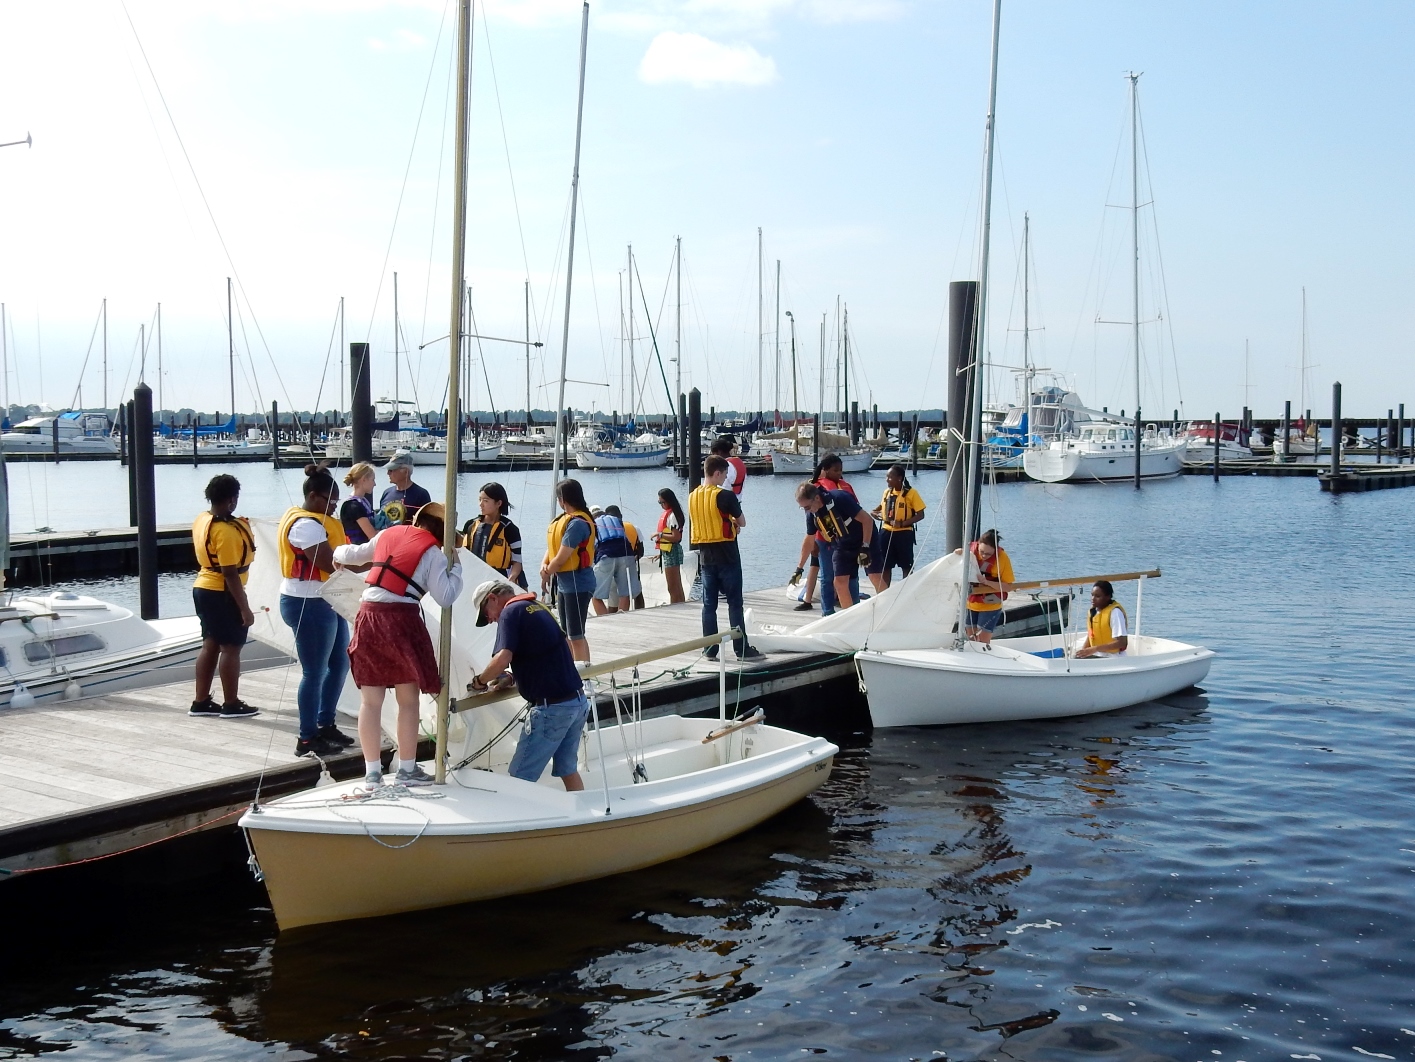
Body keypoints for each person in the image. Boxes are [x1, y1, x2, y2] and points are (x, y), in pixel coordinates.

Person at [332, 502, 464, 788]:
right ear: (444, 535)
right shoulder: (434, 554)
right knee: (407, 701)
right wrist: (457, 570)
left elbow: (352, 554)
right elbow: (445, 597)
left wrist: (337, 554)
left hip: (367, 615)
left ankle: (372, 774)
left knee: (370, 702)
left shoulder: (387, 535)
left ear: (418, 521)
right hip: (402, 620)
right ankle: (406, 769)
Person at [468, 580, 589, 790]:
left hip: (551, 708)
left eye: (486, 614)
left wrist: (478, 683)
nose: (491, 620)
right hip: (577, 701)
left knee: (518, 778)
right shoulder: (538, 606)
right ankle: (586, 816)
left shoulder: (509, 613)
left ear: (493, 599)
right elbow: (563, 647)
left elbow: (502, 658)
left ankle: (517, 822)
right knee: (568, 770)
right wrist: (517, 676)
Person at [277, 464, 355, 757]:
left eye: (336, 502)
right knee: (314, 671)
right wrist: (373, 560)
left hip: (327, 599)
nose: (334, 507)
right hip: (306, 603)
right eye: (330, 501)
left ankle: (326, 724)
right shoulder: (305, 525)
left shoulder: (319, 520)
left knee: (339, 665)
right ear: (313, 496)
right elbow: (325, 562)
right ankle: (306, 737)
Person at [189, 474, 259, 719]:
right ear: (231, 500)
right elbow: (230, 575)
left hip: (202, 587)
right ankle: (231, 703)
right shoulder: (226, 532)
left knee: (210, 643)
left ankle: (201, 701)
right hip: (221, 591)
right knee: (231, 647)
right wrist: (245, 609)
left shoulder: (203, 519)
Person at [689, 456, 764, 661]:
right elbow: (742, 521)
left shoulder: (692, 496)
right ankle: (741, 648)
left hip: (706, 558)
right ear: (717, 473)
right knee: (734, 603)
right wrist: (733, 523)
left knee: (709, 605)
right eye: (723, 475)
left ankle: (709, 648)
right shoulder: (725, 495)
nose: (724, 480)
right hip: (727, 556)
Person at [794, 481, 883, 611]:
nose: (806, 511)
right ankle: (851, 619)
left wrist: (865, 547)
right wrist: (799, 569)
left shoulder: (840, 498)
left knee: (874, 576)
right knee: (839, 582)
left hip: (865, 538)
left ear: (817, 498)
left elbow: (867, 520)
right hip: (843, 543)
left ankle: (889, 610)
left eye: (807, 507)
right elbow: (809, 540)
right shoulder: (812, 514)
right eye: (803, 508)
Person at [540, 477, 596, 663]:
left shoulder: (577, 523)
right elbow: (552, 548)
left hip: (577, 583)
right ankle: (572, 672)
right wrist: (544, 566)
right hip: (564, 584)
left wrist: (547, 573)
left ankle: (585, 676)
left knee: (576, 635)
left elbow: (563, 555)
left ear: (562, 499)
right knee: (566, 633)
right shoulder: (565, 521)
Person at [810, 454, 859, 615]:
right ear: (825, 470)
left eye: (840, 470)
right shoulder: (816, 488)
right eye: (835, 470)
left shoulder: (846, 486)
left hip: (847, 539)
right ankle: (827, 612)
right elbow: (811, 519)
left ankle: (855, 608)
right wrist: (813, 544)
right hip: (825, 539)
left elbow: (857, 510)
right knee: (827, 577)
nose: (839, 473)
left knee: (851, 575)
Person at [460, 481, 526, 588]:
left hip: (499, 581)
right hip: (474, 578)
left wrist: (511, 579)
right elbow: (463, 554)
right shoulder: (470, 525)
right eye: (480, 500)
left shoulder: (510, 529)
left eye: (485, 501)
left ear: (498, 503)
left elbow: (517, 562)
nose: (480, 504)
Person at [873, 463, 927, 587]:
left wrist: (902, 523)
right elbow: (882, 506)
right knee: (885, 565)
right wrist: (874, 512)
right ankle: (885, 593)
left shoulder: (911, 493)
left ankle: (906, 590)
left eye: (890, 477)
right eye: (886, 477)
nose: (887, 480)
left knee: (906, 565)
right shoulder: (887, 492)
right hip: (886, 532)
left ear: (899, 478)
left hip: (904, 534)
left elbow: (920, 514)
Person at [964, 528, 1013, 644]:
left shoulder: (1002, 558)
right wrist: (958, 552)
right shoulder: (969, 550)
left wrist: (987, 582)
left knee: (982, 642)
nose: (984, 556)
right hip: (970, 604)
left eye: (988, 554)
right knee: (970, 640)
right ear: (978, 545)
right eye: (981, 552)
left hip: (990, 606)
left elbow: (1008, 587)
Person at [589, 504, 632, 615]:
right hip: (625, 555)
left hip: (606, 557)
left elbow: (591, 547)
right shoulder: (616, 520)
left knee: (595, 596)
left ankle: (606, 621)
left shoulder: (591, 524)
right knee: (624, 594)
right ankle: (622, 620)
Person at [1076, 580, 1128, 657]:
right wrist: (1083, 652)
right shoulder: (1093, 612)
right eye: (1092, 595)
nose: (1093, 599)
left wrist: (1095, 649)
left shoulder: (1115, 613)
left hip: (1112, 656)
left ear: (1108, 597)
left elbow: (1122, 642)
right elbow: (1091, 636)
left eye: (1097, 596)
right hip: (1096, 654)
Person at [608, 504, 646, 610]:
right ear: (621, 515)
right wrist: (634, 557)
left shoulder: (606, 531)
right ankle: (640, 613)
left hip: (612, 567)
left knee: (614, 600)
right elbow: (641, 552)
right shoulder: (634, 528)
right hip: (631, 565)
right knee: (637, 593)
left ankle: (611, 619)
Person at [653, 487, 686, 604]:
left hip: (673, 551)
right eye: (659, 503)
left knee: (673, 586)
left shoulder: (673, 516)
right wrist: (660, 553)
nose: (662, 505)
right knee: (675, 585)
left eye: (663, 502)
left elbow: (676, 537)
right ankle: (680, 605)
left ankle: (676, 607)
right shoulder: (669, 514)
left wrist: (660, 535)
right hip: (667, 551)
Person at [339, 462, 378, 544]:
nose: (374, 484)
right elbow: (372, 536)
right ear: (364, 480)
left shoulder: (363, 502)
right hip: (358, 551)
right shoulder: (353, 506)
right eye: (373, 480)